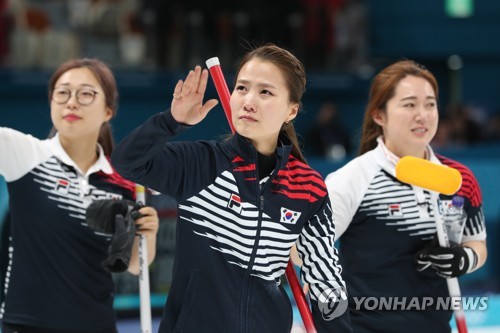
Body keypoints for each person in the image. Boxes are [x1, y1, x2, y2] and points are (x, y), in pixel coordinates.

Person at [111, 44, 352, 333]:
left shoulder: (308, 188)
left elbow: (326, 280)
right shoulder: (201, 165)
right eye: (241, 88)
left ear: (292, 110)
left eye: (265, 92)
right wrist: (171, 122)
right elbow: (127, 162)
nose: (249, 101)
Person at [324, 60, 487, 333]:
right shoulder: (351, 180)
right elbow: (303, 253)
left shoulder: (459, 179)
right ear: (379, 115)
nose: (422, 115)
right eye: (409, 104)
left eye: (430, 104)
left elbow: (477, 244)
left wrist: (463, 258)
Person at [0, 58, 159, 333]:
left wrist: (150, 232)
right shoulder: (25, 154)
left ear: (108, 110)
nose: (71, 102)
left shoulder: (125, 182)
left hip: (96, 325)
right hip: (27, 325)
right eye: (62, 93)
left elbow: (135, 264)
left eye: (86, 94)